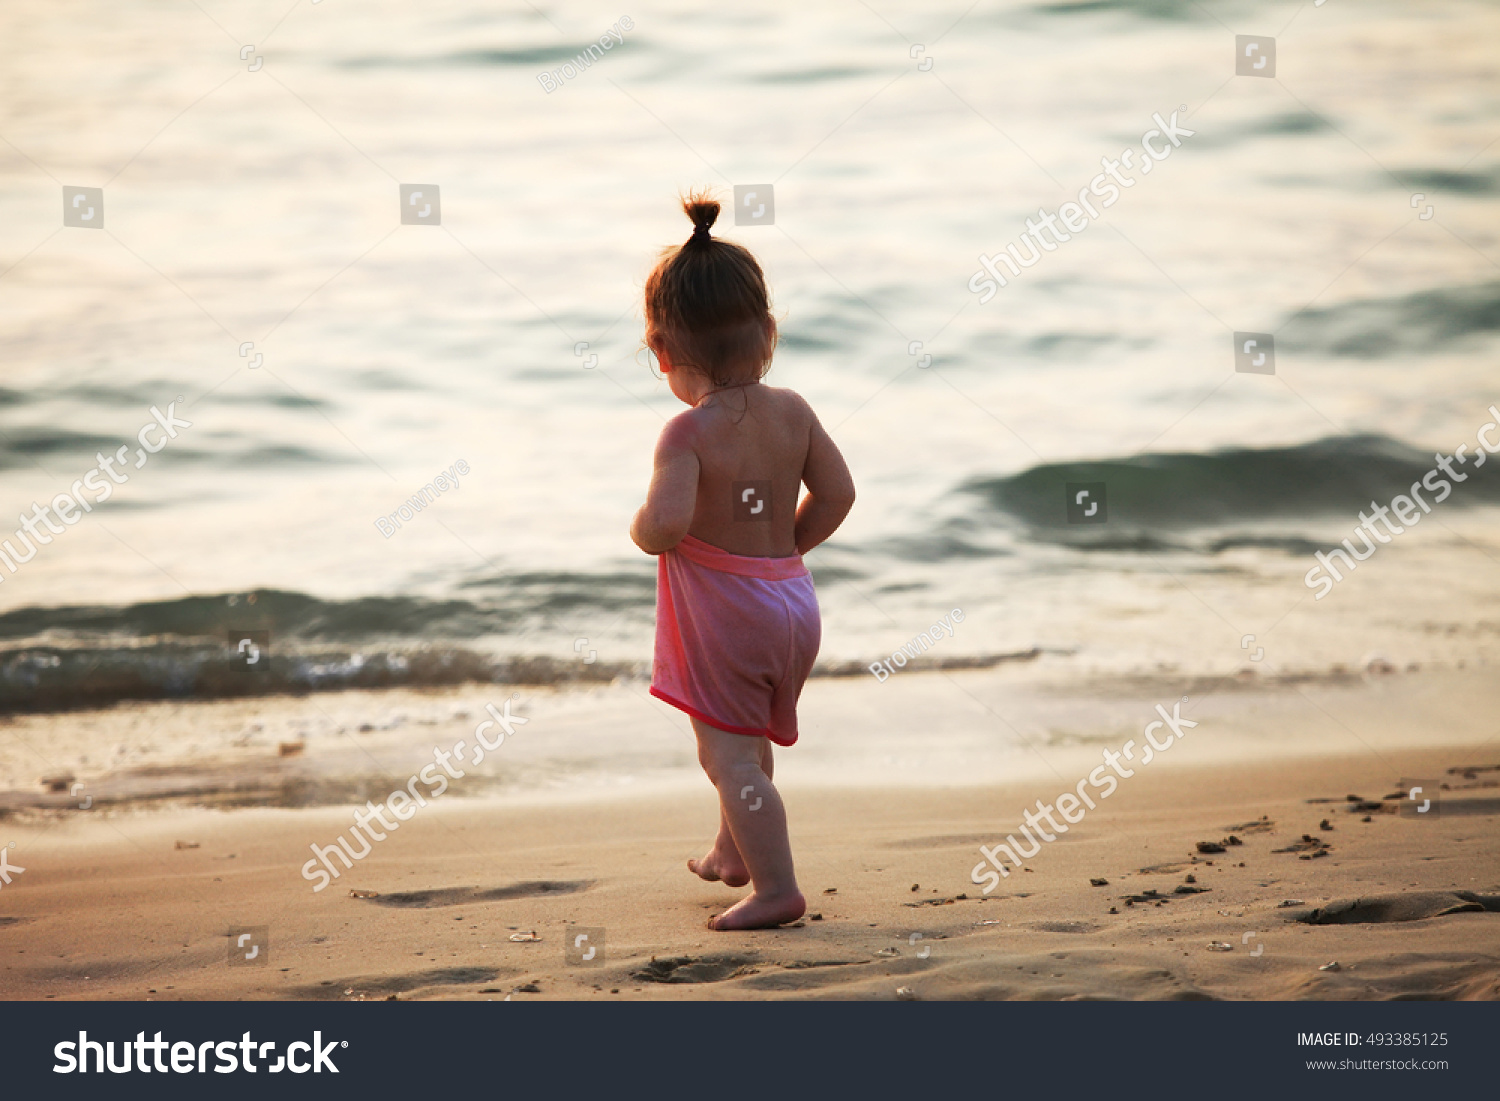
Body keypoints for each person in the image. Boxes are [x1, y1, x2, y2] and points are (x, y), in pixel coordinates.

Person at [629, 191, 856, 930]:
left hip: (729, 618)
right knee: (745, 737)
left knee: (726, 755)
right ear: (768, 331)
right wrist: (785, 548)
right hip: (791, 604)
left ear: (661, 350)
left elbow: (664, 528)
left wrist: (639, 525)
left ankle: (777, 887)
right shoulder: (793, 410)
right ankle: (733, 852)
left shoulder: (685, 434)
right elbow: (839, 493)